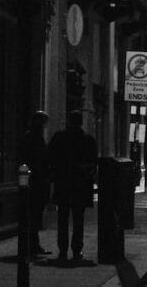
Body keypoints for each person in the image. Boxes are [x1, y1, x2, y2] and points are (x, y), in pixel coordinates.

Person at [48, 111, 97, 262]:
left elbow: (50, 158)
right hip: (80, 186)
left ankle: (63, 251)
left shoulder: (59, 137)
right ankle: (76, 251)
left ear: (68, 121)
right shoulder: (88, 140)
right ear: (81, 122)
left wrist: (58, 172)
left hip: (63, 184)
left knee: (63, 219)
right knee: (78, 220)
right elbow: (93, 163)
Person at [18, 110, 51, 256]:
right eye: (43, 123)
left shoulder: (31, 137)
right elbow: (38, 161)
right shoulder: (35, 138)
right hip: (36, 182)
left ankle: (31, 244)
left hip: (33, 181)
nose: (44, 126)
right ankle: (32, 245)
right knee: (34, 215)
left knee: (33, 215)